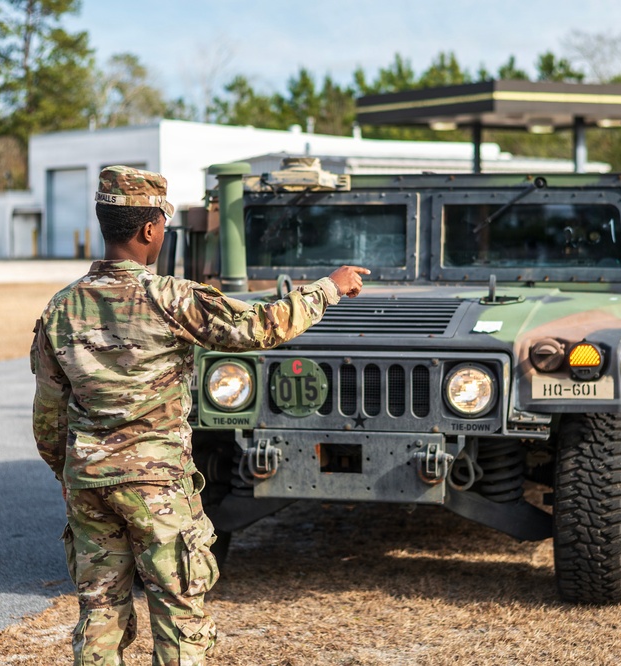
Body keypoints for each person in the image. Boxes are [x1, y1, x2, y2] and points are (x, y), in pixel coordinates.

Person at [31, 165, 370, 665]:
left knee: (99, 610)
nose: (164, 234)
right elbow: (259, 327)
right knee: (179, 614)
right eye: (163, 225)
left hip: (89, 484)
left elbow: (49, 416)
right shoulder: (170, 298)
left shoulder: (59, 309)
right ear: (149, 230)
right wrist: (328, 288)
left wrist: (68, 473)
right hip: (158, 486)